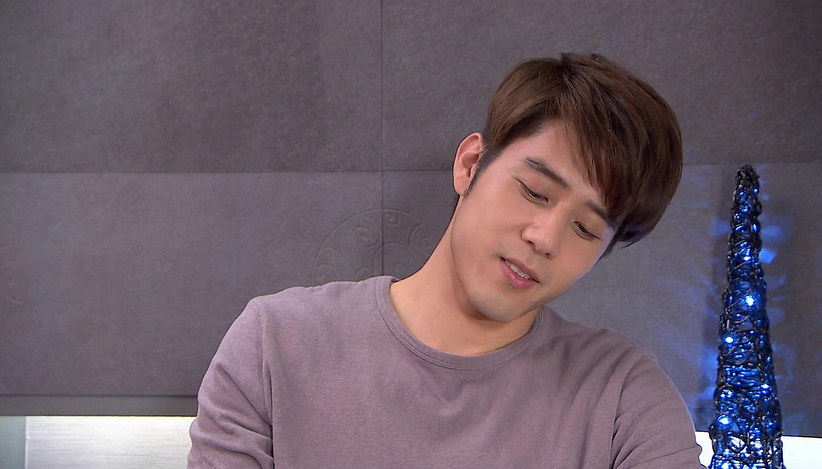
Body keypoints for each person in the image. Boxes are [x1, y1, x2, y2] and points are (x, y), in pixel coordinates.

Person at [188, 53, 704, 468]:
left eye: (586, 229)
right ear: (471, 164)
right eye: (534, 191)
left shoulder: (623, 397)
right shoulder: (275, 344)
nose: (545, 238)